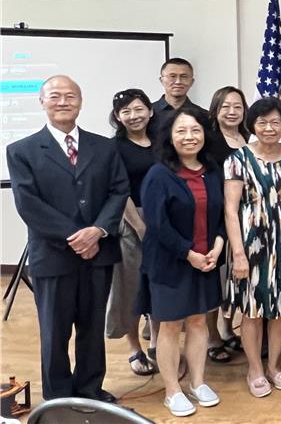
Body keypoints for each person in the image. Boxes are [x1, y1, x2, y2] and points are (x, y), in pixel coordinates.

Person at [7, 75, 129, 402]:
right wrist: (75, 237)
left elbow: (119, 191)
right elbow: (28, 204)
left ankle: (89, 389)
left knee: (92, 328)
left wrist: (97, 231)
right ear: (42, 102)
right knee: (55, 332)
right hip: (53, 255)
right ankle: (58, 397)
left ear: (81, 101)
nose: (63, 102)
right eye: (55, 96)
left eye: (70, 96)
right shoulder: (21, 150)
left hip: (99, 253)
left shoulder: (104, 147)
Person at [137, 107, 225, 417]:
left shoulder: (212, 170)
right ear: (170, 137)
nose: (189, 136)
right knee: (171, 325)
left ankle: (198, 382)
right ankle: (172, 390)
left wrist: (218, 245)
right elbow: (157, 225)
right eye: (181, 131)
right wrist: (189, 254)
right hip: (171, 262)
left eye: (196, 130)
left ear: (205, 135)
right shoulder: (159, 174)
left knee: (199, 322)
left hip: (206, 261)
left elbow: (221, 215)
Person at [223, 97, 281, 398]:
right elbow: (231, 210)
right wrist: (238, 254)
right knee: (253, 310)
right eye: (262, 122)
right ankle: (254, 369)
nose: (269, 128)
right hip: (251, 245)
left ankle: (273, 365)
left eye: (275, 122)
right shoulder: (238, 159)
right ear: (252, 125)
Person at [105, 89, 159, 378]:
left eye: (138, 109)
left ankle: (158, 344)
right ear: (117, 117)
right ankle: (134, 347)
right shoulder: (114, 147)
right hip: (131, 220)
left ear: (150, 111)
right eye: (125, 111)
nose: (133, 116)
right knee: (131, 285)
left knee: (161, 284)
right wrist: (139, 226)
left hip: (163, 217)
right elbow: (118, 190)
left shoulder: (162, 141)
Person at [203, 86, 251, 361]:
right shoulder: (208, 140)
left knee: (235, 277)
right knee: (216, 277)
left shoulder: (248, 137)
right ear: (216, 110)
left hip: (247, 218)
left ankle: (227, 328)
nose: (232, 112)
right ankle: (212, 336)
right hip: (217, 218)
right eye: (226, 107)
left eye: (237, 107)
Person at [150, 57, 208, 141]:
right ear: (161, 80)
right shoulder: (147, 114)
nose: (178, 81)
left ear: (192, 82)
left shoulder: (204, 115)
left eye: (184, 77)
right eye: (172, 76)